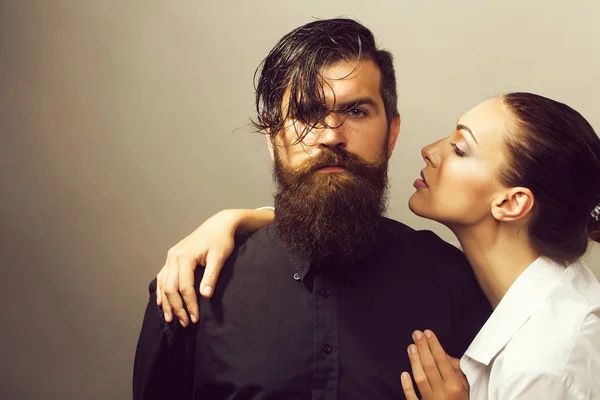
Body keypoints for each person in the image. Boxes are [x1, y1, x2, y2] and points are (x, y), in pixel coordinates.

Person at [133, 18, 491, 400]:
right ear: (272, 136)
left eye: (356, 112)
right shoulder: (192, 290)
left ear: (392, 134)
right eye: (306, 112)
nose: (332, 135)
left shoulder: (454, 284)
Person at [156, 92, 600, 399]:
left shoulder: (544, 363)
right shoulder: (540, 298)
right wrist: (238, 219)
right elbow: (325, 209)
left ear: (512, 202)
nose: (429, 149)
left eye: (460, 148)